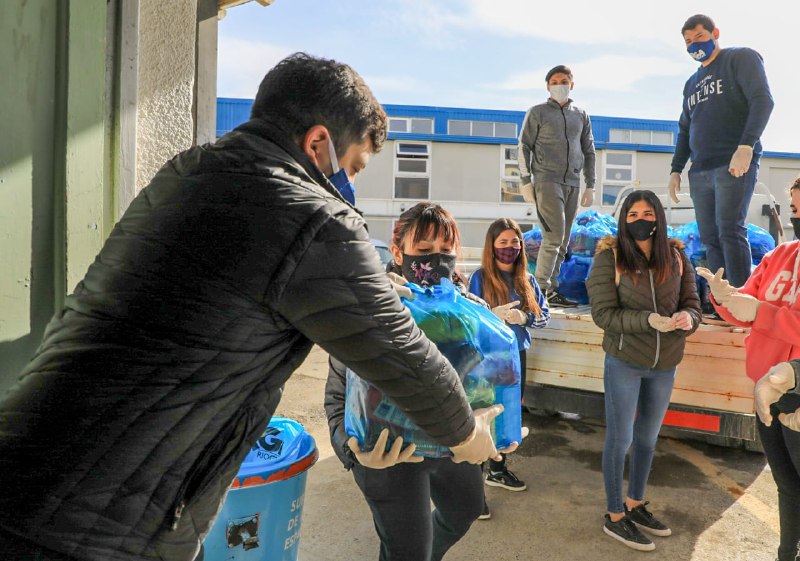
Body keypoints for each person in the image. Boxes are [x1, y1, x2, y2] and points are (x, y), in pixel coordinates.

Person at [0, 54, 501, 561]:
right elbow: (405, 357)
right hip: (96, 526)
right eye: (352, 168)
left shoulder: (185, 176)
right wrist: (467, 433)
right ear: (317, 143)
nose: (352, 187)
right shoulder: (314, 217)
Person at [324, 203, 516, 561]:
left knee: (466, 510)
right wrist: (354, 451)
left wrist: (498, 429)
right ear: (398, 252)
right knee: (406, 548)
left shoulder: (469, 309)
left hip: (453, 443)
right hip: (389, 450)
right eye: (423, 251)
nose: (435, 261)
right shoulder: (368, 308)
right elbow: (338, 394)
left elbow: (489, 384)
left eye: (445, 251)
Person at [586, 190, 702, 551]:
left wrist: (688, 320)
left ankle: (635, 503)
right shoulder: (611, 257)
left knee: (648, 440)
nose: (641, 219)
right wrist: (648, 320)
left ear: (658, 217)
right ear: (624, 218)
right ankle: (615, 515)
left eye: (647, 212)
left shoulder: (677, 256)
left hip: (665, 364)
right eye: (633, 213)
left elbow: (693, 304)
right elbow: (602, 315)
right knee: (620, 440)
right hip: (624, 361)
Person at [698, 176, 800, 561]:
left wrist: (763, 313)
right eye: (793, 209)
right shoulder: (781, 254)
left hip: (798, 387)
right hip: (765, 389)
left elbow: (767, 314)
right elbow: (748, 306)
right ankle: (787, 552)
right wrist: (725, 299)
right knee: (786, 483)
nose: (796, 216)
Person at [669, 13, 774, 289]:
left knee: (730, 230)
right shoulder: (691, 83)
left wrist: (746, 145)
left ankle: (741, 299)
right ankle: (721, 302)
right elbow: (684, 128)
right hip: (700, 170)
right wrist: (676, 169)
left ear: (715, 33)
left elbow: (762, 100)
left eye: (699, 37)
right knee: (710, 238)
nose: (694, 45)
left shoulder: (740, 58)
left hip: (733, 163)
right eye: (688, 42)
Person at [469, 218, 550, 498]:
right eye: (502, 242)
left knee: (508, 415)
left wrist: (524, 317)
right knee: (484, 415)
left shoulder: (526, 279)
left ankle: (498, 469)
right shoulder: (480, 278)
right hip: (488, 358)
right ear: (492, 246)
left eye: (514, 242)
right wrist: (491, 316)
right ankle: (474, 488)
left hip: (517, 355)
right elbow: (468, 320)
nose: (509, 247)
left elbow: (543, 316)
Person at [517, 64, 596, 308]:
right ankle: (539, 290)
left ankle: (551, 289)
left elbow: (588, 149)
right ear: (548, 86)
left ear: (571, 84)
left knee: (563, 240)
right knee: (553, 236)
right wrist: (525, 180)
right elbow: (523, 145)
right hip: (546, 180)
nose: (559, 85)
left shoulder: (580, 114)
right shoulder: (537, 112)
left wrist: (590, 184)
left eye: (564, 80)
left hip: (571, 182)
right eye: (554, 81)